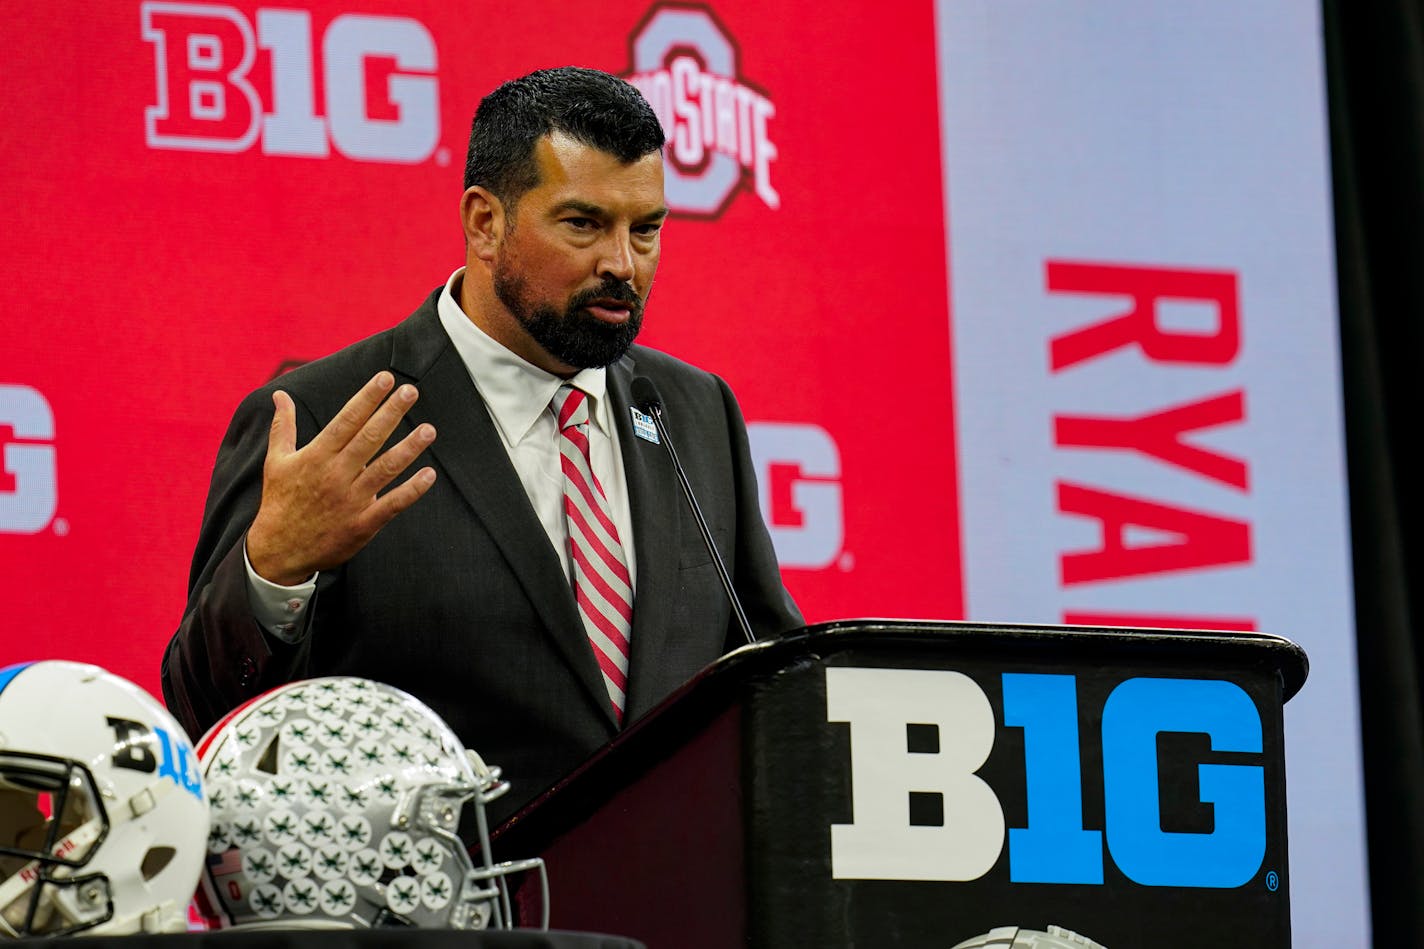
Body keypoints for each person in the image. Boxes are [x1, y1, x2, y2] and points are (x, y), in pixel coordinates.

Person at [161, 66, 803, 823]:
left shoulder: (694, 411)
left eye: (646, 229)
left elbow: (773, 674)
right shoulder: (324, 416)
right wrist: (273, 569)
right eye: (583, 223)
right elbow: (207, 718)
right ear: (484, 222)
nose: (621, 266)